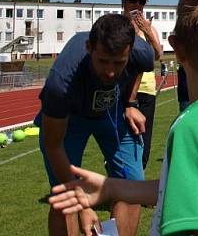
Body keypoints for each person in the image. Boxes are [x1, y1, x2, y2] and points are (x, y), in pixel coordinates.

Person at [49, 0, 198, 236]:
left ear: (178, 49)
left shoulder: (194, 127)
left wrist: (129, 102)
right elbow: (188, 187)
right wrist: (111, 188)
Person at [35, 13, 153, 236]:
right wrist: (84, 206)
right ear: (89, 47)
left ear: (130, 51)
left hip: (112, 112)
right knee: (65, 196)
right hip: (70, 119)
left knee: (132, 185)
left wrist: (130, 102)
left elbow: (139, 67)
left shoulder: (142, 54)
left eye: (119, 63)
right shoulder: (60, 82)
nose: (110, 71)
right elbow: (53, 145)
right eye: (103, 61)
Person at [120, 0, 162, 170]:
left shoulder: (149, 28)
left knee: (143, 142)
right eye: (133, 0)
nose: (137, 5)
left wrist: (146, 31)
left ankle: (137, 182)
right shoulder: (117, 26)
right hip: (122, 90)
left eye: (141, 1)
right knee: (121, 140)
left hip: (145, 91)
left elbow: (157, 55)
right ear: (124, 3)